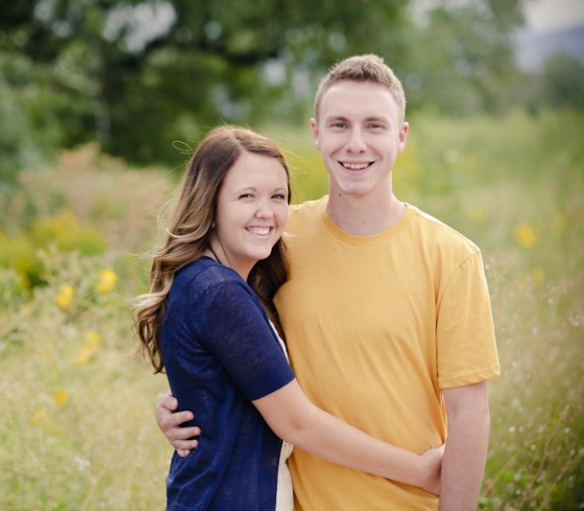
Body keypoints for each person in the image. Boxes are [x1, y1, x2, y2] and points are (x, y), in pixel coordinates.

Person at [156, 55, 501, 510]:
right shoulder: (275, 237)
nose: (356, 143)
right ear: (317, 133)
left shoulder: (451, 257)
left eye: (374, 126)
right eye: (340, 125)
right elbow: (220, 339)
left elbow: (469, 414)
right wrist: (185, 405)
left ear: (401, 137)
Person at [134, 125, 444, 510]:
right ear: (209, 205)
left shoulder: (211, 282)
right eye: (246, 196)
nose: (267, 212)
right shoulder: (219, 291)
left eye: (278, 196)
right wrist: (422, 472)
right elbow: (297, 423)